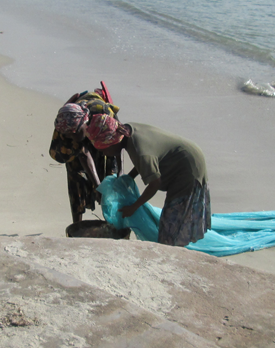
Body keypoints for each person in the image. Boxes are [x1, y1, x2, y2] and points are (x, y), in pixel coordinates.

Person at [86, 115, 211, 246]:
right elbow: (146, 161)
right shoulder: (127, 130)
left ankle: (172, 253)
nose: (103, 154)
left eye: (103, 150)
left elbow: (155, 183)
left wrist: (133, 208)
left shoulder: (140, 151)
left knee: (171, 227)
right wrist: (129, 177)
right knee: (169, 222)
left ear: (112, 142)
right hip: (188, 155)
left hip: (188, 170)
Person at [49, 87, 122, 223]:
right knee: (75, 176)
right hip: (79, 128)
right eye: (69, 135)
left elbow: (118, 141)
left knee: (109, 180)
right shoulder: (64, 127)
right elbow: (83, 154)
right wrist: (96, 184)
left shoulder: (104, 115)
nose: (73, 137)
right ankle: (77, 225)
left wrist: (118, 173)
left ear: (84, 122)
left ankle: (111, 222)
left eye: (74, 133)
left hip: (104, 134)